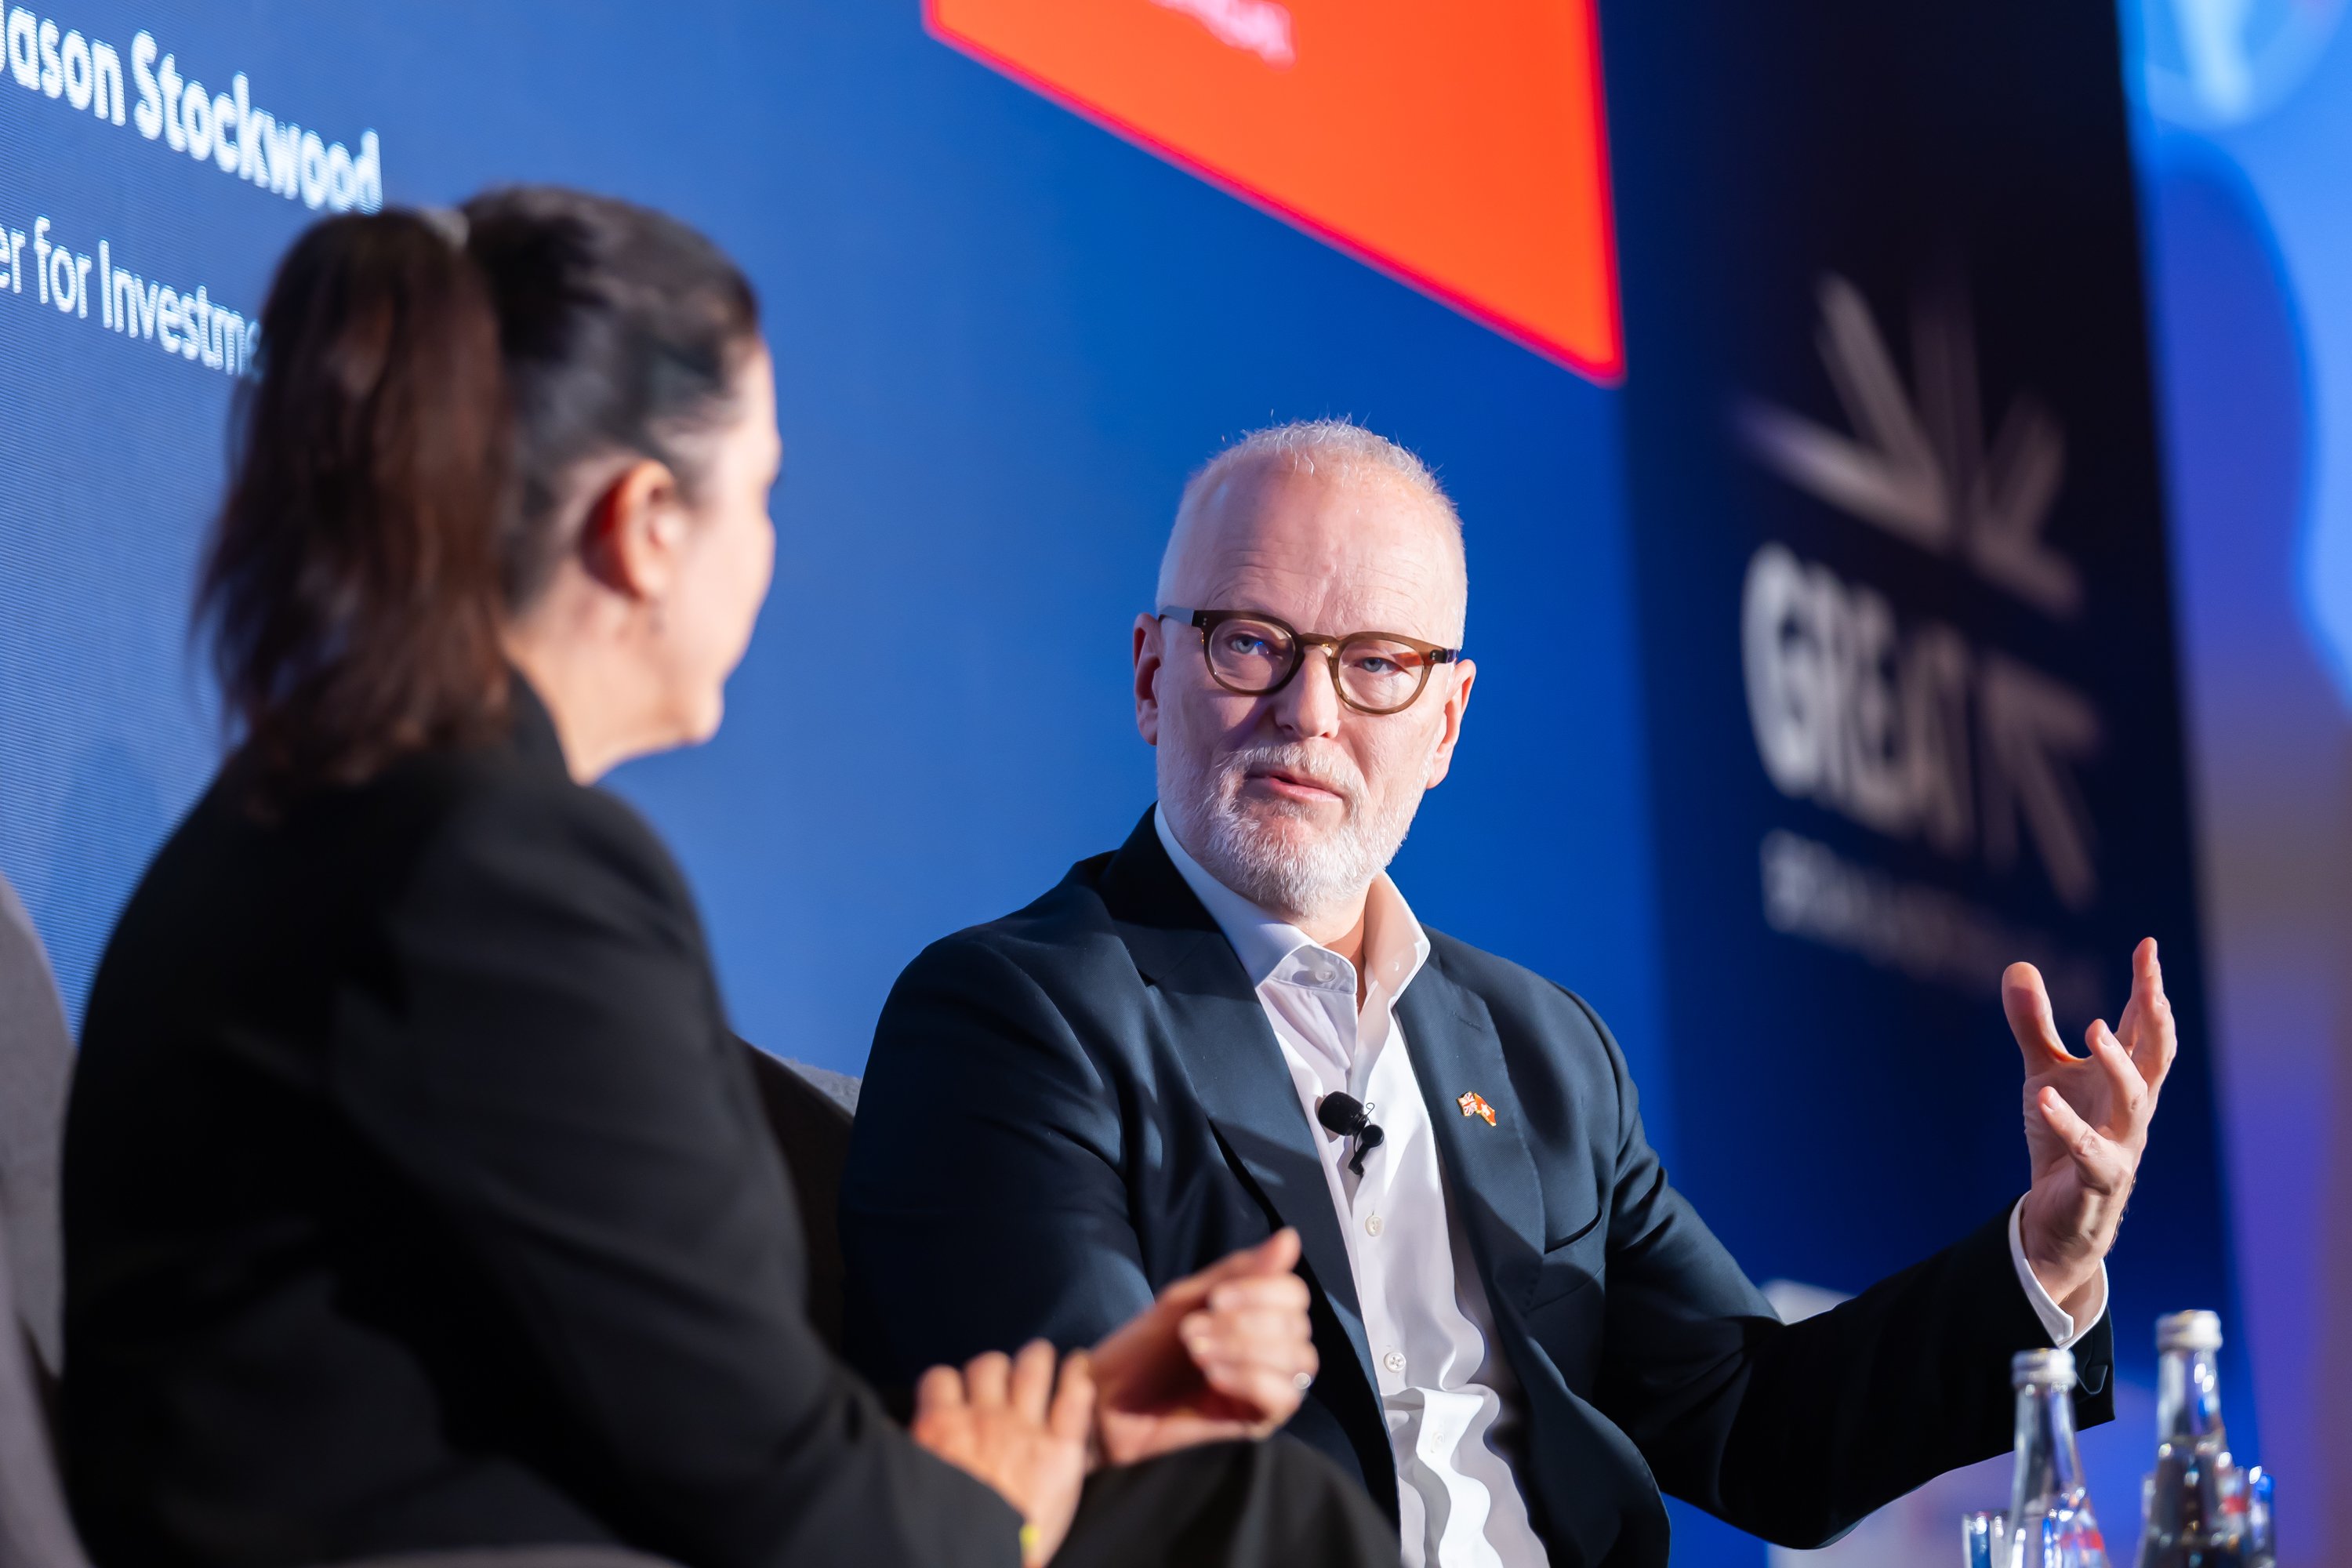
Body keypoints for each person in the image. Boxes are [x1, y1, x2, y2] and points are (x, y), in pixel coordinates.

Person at [62, 198, 1396, 1568]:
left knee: (1231, 1509)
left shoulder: (360, 813)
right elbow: (782, 1501)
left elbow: (687, 1415)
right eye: (759, 493)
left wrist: (1077, 1425)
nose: (768, 549)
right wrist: (997, 1507)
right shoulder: (497, 871)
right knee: (1262, 1524)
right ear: (644, 525)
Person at [840, 419, 2178, 1568]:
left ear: (1448, 723)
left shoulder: (1543, 1055)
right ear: (1151, 673)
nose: (1309, 711)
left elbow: (1759, 1428)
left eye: (1376, 664)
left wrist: (2049, 1253)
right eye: (1251, 642)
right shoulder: (1014, 1018)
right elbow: (1109, 1471)